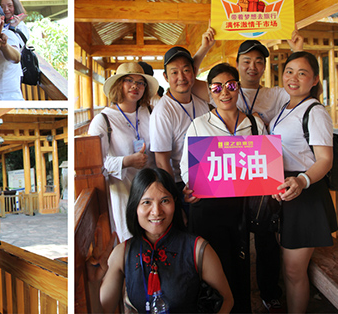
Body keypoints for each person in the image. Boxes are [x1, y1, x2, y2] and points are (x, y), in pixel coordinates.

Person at [180, 63, 266, 313]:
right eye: (217, 88)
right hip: (208, 207)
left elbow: (265, 162)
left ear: (238, 88)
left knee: (241, 264)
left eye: (230, 85)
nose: (224, 92)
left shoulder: (254, 123)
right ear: (209, 92)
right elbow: (187, 168)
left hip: (242, 208)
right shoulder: (199, 124)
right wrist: (191, 186)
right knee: (212, 267)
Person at [99, 168, 233, 313]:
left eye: (164, 201)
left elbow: (227, 300)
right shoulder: (122, 253)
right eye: (147, 202)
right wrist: (93, 283)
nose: (156, 211)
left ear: (175, 203)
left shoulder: (197, 249)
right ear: (135, 206)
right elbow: (103, 310)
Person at [269, 51, 337, 313]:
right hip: (287, 192)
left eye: (302, 73)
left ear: (315, 79)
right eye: (289, 71)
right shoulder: (285, 108)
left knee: (294, 270)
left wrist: (302, 180)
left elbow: (325, 159)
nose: (293, 78)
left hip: (305, 194)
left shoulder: (315, 111)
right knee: (289, 269)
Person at [87, 62, 159, 242]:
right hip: (124, 193)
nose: (135, 86)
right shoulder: (103, 120)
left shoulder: (150, 112)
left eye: (140, 82)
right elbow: (94, 163)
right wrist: (126, 161)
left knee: (156, 239)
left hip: (152, 191)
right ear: (118, 85)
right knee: (132, 242)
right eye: (129, 80)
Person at [149, 45, 210, 207]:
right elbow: (162, 161)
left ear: (194, 72)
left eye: (186, 70)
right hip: (182, 184)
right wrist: (174, 199)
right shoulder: (162, 112)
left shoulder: (201, 102)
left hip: (209, 176)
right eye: (174, 72)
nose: (181, 77)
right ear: (165, 77)